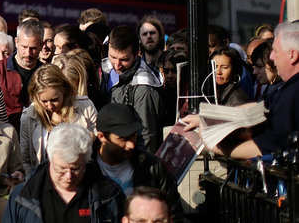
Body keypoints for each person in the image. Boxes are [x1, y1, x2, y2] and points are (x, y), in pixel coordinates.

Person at [183, 22, 299, 159]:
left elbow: (268, 146)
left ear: (292, 55)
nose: (272, 57)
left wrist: (214, 146)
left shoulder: (293, 93)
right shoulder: (287, 89)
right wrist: (205, 118)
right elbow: (261, 108)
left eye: (275, 51)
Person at [4, 123, 125, 223]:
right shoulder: (23, 196)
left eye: (75, 169)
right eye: (61, 169)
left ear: (86, 161)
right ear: (50, 160)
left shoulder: (109, 195)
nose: (69, 176)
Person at [94, 104, 182, 222]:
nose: (131, 145)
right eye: (123, 139)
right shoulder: (84, 169)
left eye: (134, 137)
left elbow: (174, 212)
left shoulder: (152, 167)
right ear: (101, 137)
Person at [20, 65, 96, 175]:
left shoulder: (85, 106)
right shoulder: (29, 117)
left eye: (54, 100)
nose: (50, 106)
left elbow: (99, 140)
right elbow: (25, 159)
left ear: (64, 90)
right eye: (44, 101)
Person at [100, 26, 163, 153]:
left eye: (124, 60)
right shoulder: (104, 69)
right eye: (112, 57)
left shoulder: (144, 88)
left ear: (137, 54)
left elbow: (146, 135)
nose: (117, 65)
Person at [0, 19, 44, 129]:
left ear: (41, 45)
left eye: (33, 48)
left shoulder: (46, 72)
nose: (28, 53)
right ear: (16, 42)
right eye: (24, 47)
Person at [51, 55, 98, 132]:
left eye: (70, 90)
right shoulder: (38, 109)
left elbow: (96, 134)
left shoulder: (87, 106)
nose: (64, 93)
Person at [157, 50, 188, 126]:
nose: (170, 76)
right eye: (166, 71)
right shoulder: (160, 93)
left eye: (174, 71)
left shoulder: (188, 94)